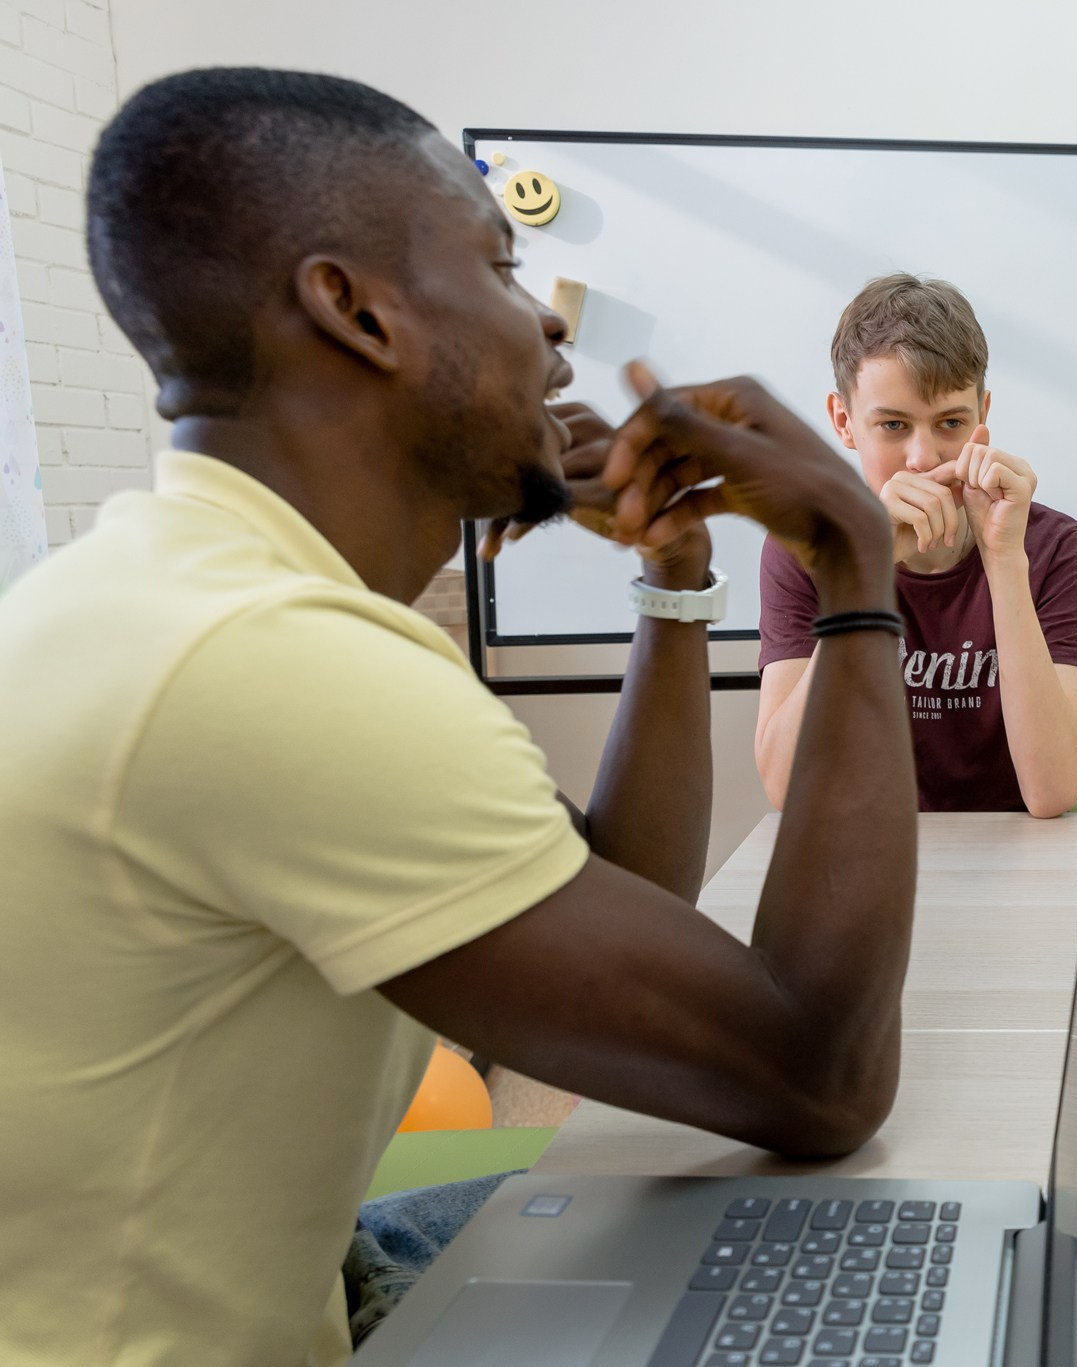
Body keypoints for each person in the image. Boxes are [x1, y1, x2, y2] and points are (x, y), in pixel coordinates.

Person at [0, 68, 916, 1367]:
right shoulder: (275, 666)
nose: (548, 331)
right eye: (498, 267)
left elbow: (615, 909)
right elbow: (819, 1078)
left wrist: (670, 577)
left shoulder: (184, 588)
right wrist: (855, 557)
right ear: (355, 309)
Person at [754, 274, 1077, 816]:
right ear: (844, 422)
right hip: (866, 848)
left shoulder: (1053, 545)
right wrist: (863, 577)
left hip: (1012, 852)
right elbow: (785, 787)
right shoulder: (805, 548)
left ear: (982, 416)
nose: (923, 457)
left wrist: (1004, 559)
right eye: (893, 424)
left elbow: (1051, 793)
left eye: (950, 423)